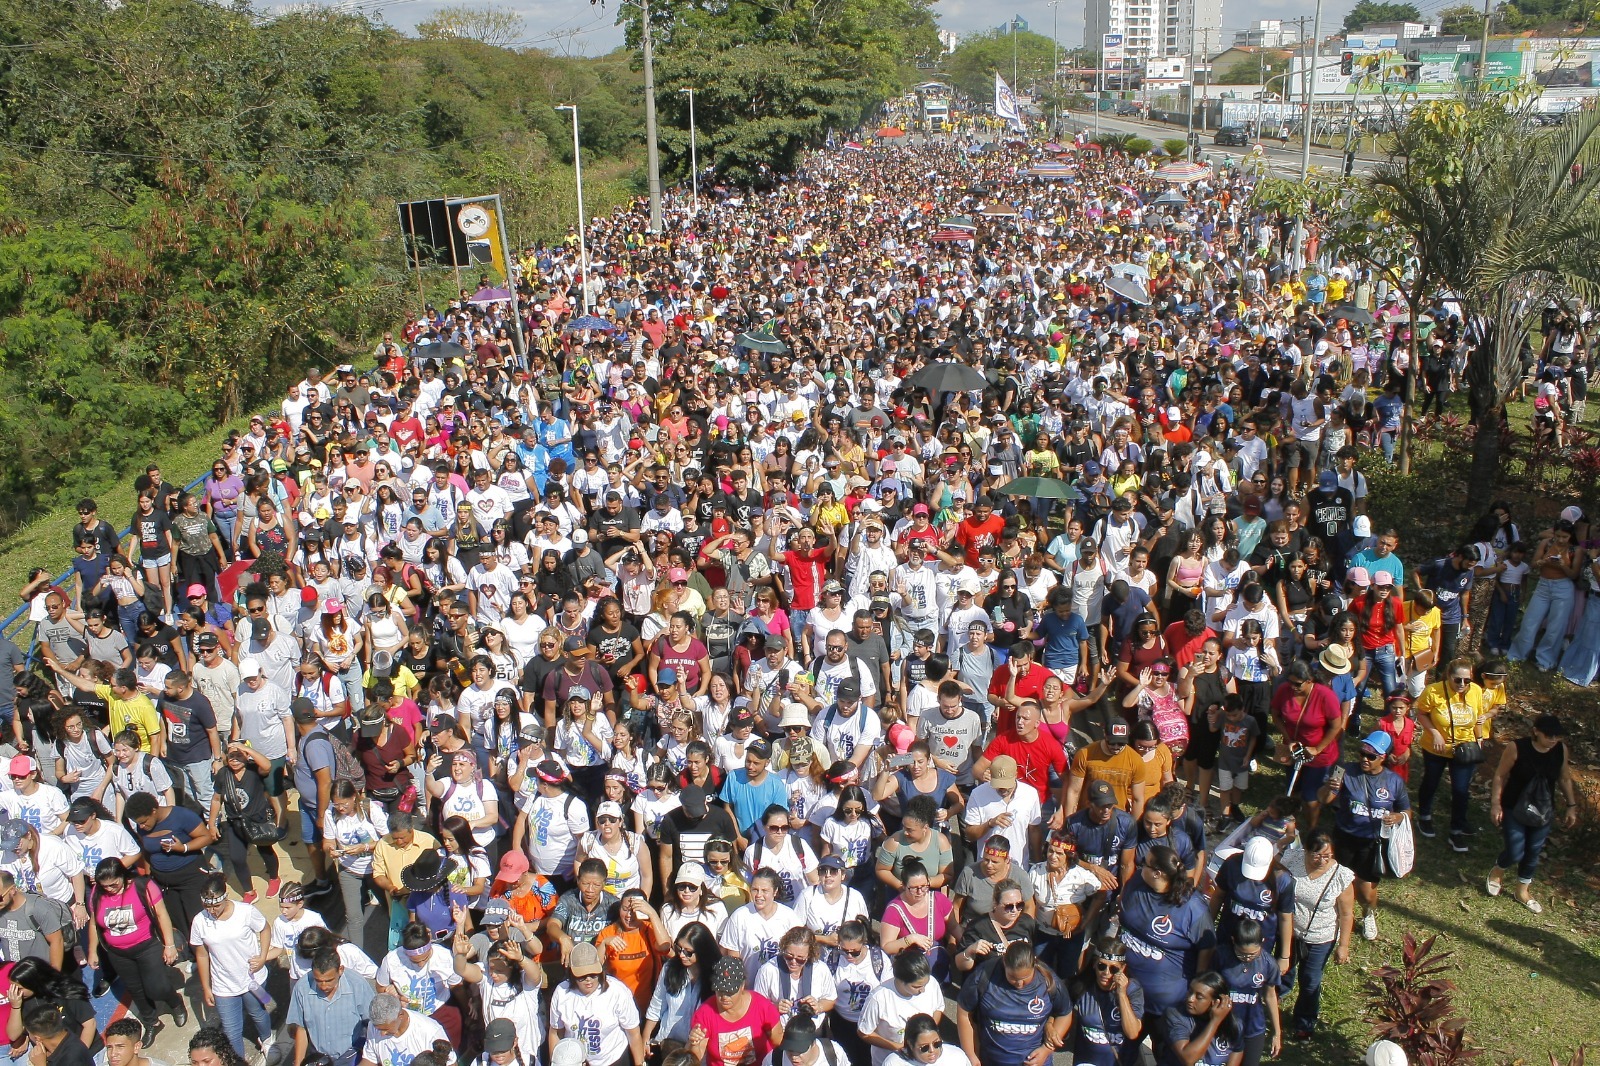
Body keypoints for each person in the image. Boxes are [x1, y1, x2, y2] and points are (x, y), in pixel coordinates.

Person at [1318, 731, 1410, 943]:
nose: (1364, 759)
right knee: (1340, 883)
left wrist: (1397, 817)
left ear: (1383, 758)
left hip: (1372, 843)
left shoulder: (1394, 781)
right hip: (1344, 837)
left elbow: (1406, 811)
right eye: (1362, 753)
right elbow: (1324, 799)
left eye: (1371, 756)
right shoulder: (1343, 771)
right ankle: (1340, 918)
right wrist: (1328, 788)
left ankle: (1367, 914)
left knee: (1366, 890)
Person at [1487, 714, 1579, 915]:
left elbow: (1564, 778)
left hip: (1542, 809)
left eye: (1556, 735)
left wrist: (1571, 805)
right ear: (1536, 731)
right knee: (1515, 850)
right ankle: (1498, 870)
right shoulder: (1516, 747)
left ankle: (1522, 891)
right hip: (1514, 806)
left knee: (1533, 851)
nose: (1553, 739)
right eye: (1548, 735)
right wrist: (1496, 804)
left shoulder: (1560, 750)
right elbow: (1500, 775)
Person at [85, 858, 186, 1041]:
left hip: (147, 946)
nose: (109, 889)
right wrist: (93, 950)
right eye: (104, 886)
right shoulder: (96, 893)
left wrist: (169, 945)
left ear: (123, 876)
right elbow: (94, 923)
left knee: (156, 987)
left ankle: (175, 1002)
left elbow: (162, 914)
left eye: (114, 884)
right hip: (118, 953)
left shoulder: (143, 886)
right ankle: (151, 1022)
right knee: (136, 990)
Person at [1118, 845, 1216, 1018]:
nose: (1140, 866)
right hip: (1128, 995)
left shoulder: (1193, 907)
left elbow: (1206, 948)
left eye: (1145, 863)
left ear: (1157, 873)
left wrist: (1197, 986)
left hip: (1166, 1007)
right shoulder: (1136, 883)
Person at [1277, 828, 1354, 1041]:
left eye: (1327, 856)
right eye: (1316, 855)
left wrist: (1343, 946)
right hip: (1290, 932)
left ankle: (1304, 1021)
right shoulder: (1292, 859)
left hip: (1321, 938)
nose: (1322, 860)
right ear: (1305, 851)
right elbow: (1275, 865)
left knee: (1310, 981)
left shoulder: (1341, 877)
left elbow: (1347, 914)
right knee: (1284, 969)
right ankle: (1277, 998)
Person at [1414, 658, 1494, 852]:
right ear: (1449, 676)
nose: (1462, 685)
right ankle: (1424, 816)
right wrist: (1434, 733)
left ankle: (1456, 830)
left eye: (1467, 680)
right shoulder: (1433, 691)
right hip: (1437, 748)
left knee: (1460, 790)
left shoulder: (1475, 691)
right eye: (1458, 680)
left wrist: (1479, 740)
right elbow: (1421, 713)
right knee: (1431, 781)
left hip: (1464, 747)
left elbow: (1478, 717)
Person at [189, 874, 272, 1059]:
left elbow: (265, 928)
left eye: (216, 906)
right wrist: (206, 987)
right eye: (207, 906)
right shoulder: (199, 921)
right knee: (231, 1030)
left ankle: (267, 1040)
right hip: (223, 985)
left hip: (253, 979)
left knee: (258, 1012)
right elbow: (201, 954)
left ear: (225, 897)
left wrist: (263, 956)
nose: (212, 911)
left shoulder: (246, 911)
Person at [954, 941, 1070, 1066]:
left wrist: (1046, 1050)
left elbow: (1065, 1014)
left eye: (1025, 979)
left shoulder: (1049, 981)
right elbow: (964, 1013)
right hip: (992, 1061)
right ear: (1004, 962)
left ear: (1034, 964)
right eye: (1013, 977)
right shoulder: (984, 975)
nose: (1019, 984)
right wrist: (971, 1055)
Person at [548, 940, 646, 1066]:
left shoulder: (617, 991)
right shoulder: (561, 993)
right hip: (575, 1060)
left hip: (612, 1059)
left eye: (593, 974)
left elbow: (633, 1033)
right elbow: (555, 1032)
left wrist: (640, 1063)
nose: (588, 979)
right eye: (582, 976)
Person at [286, 946, 375, 1066]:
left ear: (340, 970)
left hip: (351, 1057)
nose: (323, 986)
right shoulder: (301, 988)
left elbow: (372, 1022)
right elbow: (301, 1028)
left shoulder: (357, 985)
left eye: (329, 980)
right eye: (318, 980)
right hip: (318, 1058)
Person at [687, 956, 781, 1066]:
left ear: (742, 986)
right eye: (720, 991)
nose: (724, 997)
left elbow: (778, 1043)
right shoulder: (705, 1013)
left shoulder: (762, 1006)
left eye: (730, 992)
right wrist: (694, 1043)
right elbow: (695, 1058)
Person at [858, 948, 945, 1066]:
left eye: (925, 984)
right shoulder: (879, 998)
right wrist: (899, 1047)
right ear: (900, 981)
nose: (923, 990)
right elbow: (865, 1033)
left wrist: (927, 1033)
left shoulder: (932, 984)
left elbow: (938, 1009)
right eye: (916, 986)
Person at [1068, 937, 1145, 1066]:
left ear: (1123, 968)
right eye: (1101, 966)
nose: (1106, 973)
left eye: (1114, 969)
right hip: (1086, 1062)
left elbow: (1132, 1033)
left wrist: (1121, 995)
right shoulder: (1081, 986)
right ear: (1094, 964)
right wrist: (1050, 1025)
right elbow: (1059, 1010)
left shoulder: (1133, 990)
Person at [1158, 972, 1244, 1066]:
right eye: (1190, 991)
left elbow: (1237, 1050)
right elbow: (1188, 1059)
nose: (1190, 999)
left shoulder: (1234, 1024)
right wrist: (1215, 1021)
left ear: (1216, 1002)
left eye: (1199, 997)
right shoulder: (1176, 1015)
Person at [358, 992, 452, 1066]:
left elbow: (451, 1063)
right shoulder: (374, 1026)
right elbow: (370, 1059)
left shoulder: (431, 1031)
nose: (382, 1034)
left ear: (400, 1016)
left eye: (386, 1029)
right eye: (378, 1029)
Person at [770, 1014, 851, 1066]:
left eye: (800, 1051)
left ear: (813, 1043)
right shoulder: (774, 1060)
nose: (794, 1057)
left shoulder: (834, 1053)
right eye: (789, 1050)